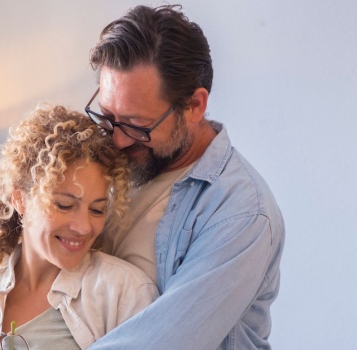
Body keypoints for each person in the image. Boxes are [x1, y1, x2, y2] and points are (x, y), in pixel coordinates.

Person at [83, 4, 285, 350]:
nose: (117, 139)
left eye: (135, 124)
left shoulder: (242, 212)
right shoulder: (109, 162)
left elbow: (160, 343)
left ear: (194, 106)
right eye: (107, 116)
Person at [0, 105, 158, 350]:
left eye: (97, 209)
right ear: (20, 199)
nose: (84, 227)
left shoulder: (125, 292)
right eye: (64, 205)